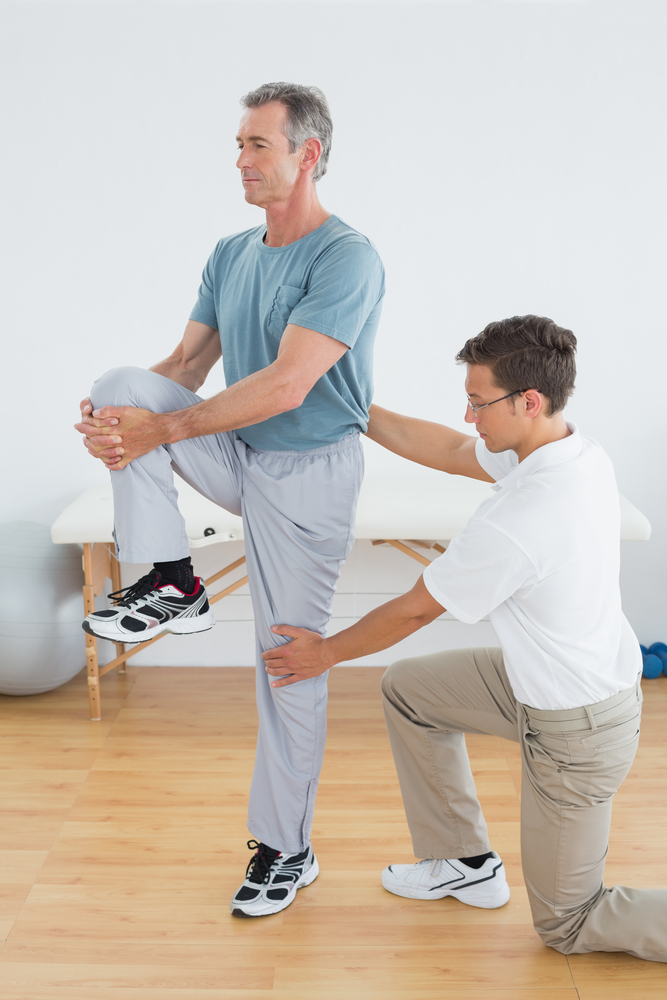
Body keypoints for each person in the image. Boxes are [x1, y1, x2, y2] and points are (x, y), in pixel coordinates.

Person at [263, 314, 667, 962]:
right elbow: (451, 451)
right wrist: (354, 407)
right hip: (556, 685)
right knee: (410, 690)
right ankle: (463, 862)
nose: (469, 416)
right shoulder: (569, 451)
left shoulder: (524, 516)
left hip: (576, 732)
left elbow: (413, 611)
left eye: (478, 403)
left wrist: (325, 653)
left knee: (567, 924)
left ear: (527, 401)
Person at [74, 82, 385, 917]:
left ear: (306, 154)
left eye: (257, 144)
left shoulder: (345, 256)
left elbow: (287, 386)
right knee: (120, 385)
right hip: (236, 449)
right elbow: (180, 371)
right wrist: (119, 423)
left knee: (285, 660)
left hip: (308, 473)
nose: (240, 159)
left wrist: (157, 434)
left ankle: (287, 846)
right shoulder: (229, 251)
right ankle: (173, 577)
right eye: (239, 145)